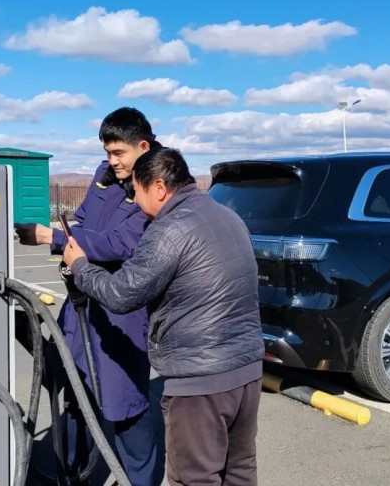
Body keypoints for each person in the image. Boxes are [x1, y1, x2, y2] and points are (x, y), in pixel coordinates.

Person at [63, 147, 263, 486]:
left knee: (194, 478)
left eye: (137, 193)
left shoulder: (168, 229)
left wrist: (80, 266)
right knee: (239, 472)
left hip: (200, 382)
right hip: (247, 372)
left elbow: (122, 293)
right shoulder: (227, 215)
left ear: (158, 187)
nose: (137, 203)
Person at [14, 107, 160, 486]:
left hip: (120, 311)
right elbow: (86, 221)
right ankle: (72, 475)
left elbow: (119, 243)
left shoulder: (156, 186)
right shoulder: (107, 175)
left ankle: (139, 480)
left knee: (124, 404)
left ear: (143, 146)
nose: (112, 162)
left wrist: (51, 237)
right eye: (108, 153)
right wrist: (69, 234)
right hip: (82, 303)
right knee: (75, 393)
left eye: (119, 154)